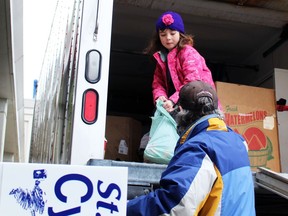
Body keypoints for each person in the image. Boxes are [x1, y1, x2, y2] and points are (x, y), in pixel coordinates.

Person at [127, 80, 255, 216]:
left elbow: (175, 206)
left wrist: (123, 208)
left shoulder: (199, 148)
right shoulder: (238, 142)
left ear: (181, 110)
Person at [145, 11, 218, 113]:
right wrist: (160, 96)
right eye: (163, 34)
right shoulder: (161, 58)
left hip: (200, 109)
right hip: (176, 109)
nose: (168, 38)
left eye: (172, 33)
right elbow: (158, 83)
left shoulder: (188, 52)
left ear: (180, 33)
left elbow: (192, 83)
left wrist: (172, 100)